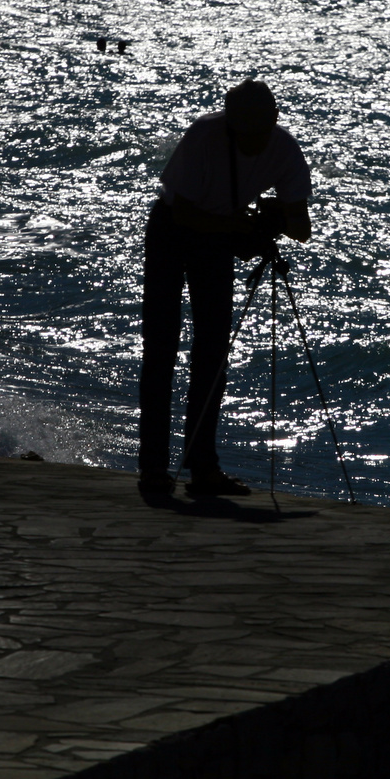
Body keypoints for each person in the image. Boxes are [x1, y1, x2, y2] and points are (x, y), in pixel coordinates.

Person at [138, 79, 312, 497]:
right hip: (172, 231)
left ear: (274, 121)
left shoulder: (285, 150)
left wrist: (276, 219)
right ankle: (154, 469)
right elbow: (180, 212)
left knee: (213, 352)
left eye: (262, 132)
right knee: (161, 346)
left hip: (216, 237)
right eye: (246, 135)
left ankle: (203, 469)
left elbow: (301, 228)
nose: (254, 143)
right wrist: (236, 225)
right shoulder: (204, 134)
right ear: (231, 126)